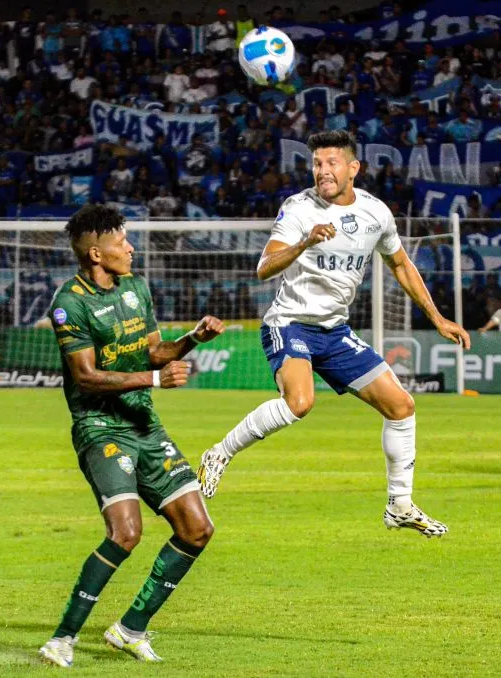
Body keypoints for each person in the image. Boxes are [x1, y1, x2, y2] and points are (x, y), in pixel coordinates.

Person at [196, 130, 471, 538]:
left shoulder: (376, 214)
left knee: (401, 406)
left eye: (331, 163)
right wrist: (305, 242)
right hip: (290, 322)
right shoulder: (299, 209)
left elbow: (400, 265)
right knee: (300, 403)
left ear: (352, 168)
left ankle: (399, 504)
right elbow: (265, 266)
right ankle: (219, 453)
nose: (322, 171)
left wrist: (437, 318)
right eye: (317, 164)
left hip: (335, 330)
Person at [37, 205, 226, 668]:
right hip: (100, 427)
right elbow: (85, 376)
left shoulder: (136, 289)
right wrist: (154, 381)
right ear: (97, 253)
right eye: (123, 242)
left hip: (144, 425)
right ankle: (62, 639)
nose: (131, 248)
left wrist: (193, 339)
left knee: (198, 529)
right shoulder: (70, 303)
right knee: (126, 533)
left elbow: (155, 352)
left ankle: (130, 629)